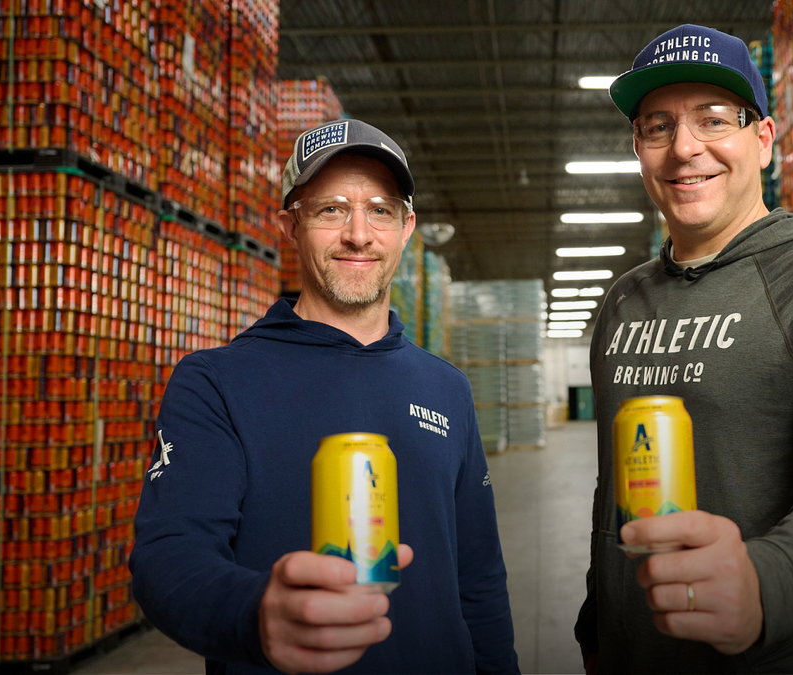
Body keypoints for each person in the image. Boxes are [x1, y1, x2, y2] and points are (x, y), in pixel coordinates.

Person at [574, 24, 793, 673]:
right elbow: (614, 485)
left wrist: (767, 583)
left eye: (713, 120)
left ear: (763, 140)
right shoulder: (623, 301)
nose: (684, 148)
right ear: (638, 147)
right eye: (658, 126)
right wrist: (598, 621)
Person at [131, 119, 519, 675]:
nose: (359, 234)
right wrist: (255, 614)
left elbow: (478, 576)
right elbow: (167, 558)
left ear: (407, 226)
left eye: (380, 210)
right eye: (331, 209)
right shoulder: (215, 382)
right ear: (290, 225)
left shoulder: (447, 388)